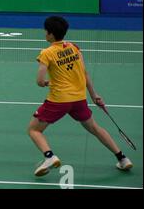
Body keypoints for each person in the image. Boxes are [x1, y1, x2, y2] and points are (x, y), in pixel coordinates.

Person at [28, 16, 133, 177]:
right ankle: (122, 158)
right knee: (95, 128)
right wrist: (94, 95)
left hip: (59, 100)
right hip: (79, 99)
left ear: (50, 34)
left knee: (34, 130)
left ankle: (49, 157)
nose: (44, 33)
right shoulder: (74, 48)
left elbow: (39, 81)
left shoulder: (46, 53)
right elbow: (85, 73)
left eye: (45, 31)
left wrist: (45, 83)